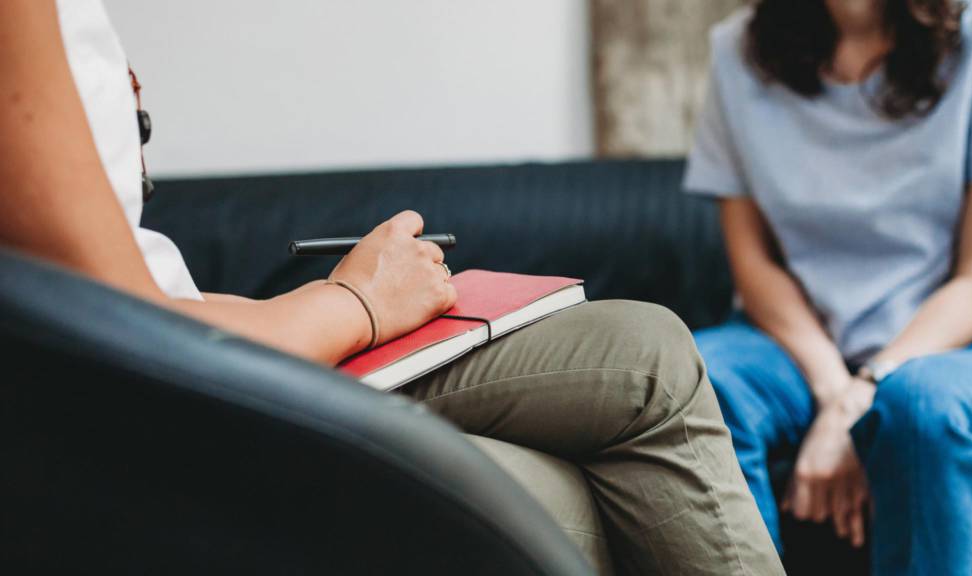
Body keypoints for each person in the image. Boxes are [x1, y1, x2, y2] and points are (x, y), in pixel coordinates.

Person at [0, 1, 785, 574]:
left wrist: (313, 306)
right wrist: (354, 304)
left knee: (643, 348)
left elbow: (138, 278)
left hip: (188, 352)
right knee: (566, 498)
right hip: (144, 415)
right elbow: (122, 329)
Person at [685, 0, 972, 574]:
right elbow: (756, 266)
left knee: (922, 407)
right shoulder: (736, 52)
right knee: (688, 381)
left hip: (968, 344)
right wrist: (833, 391)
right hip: (796, 345)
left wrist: (866, 390)